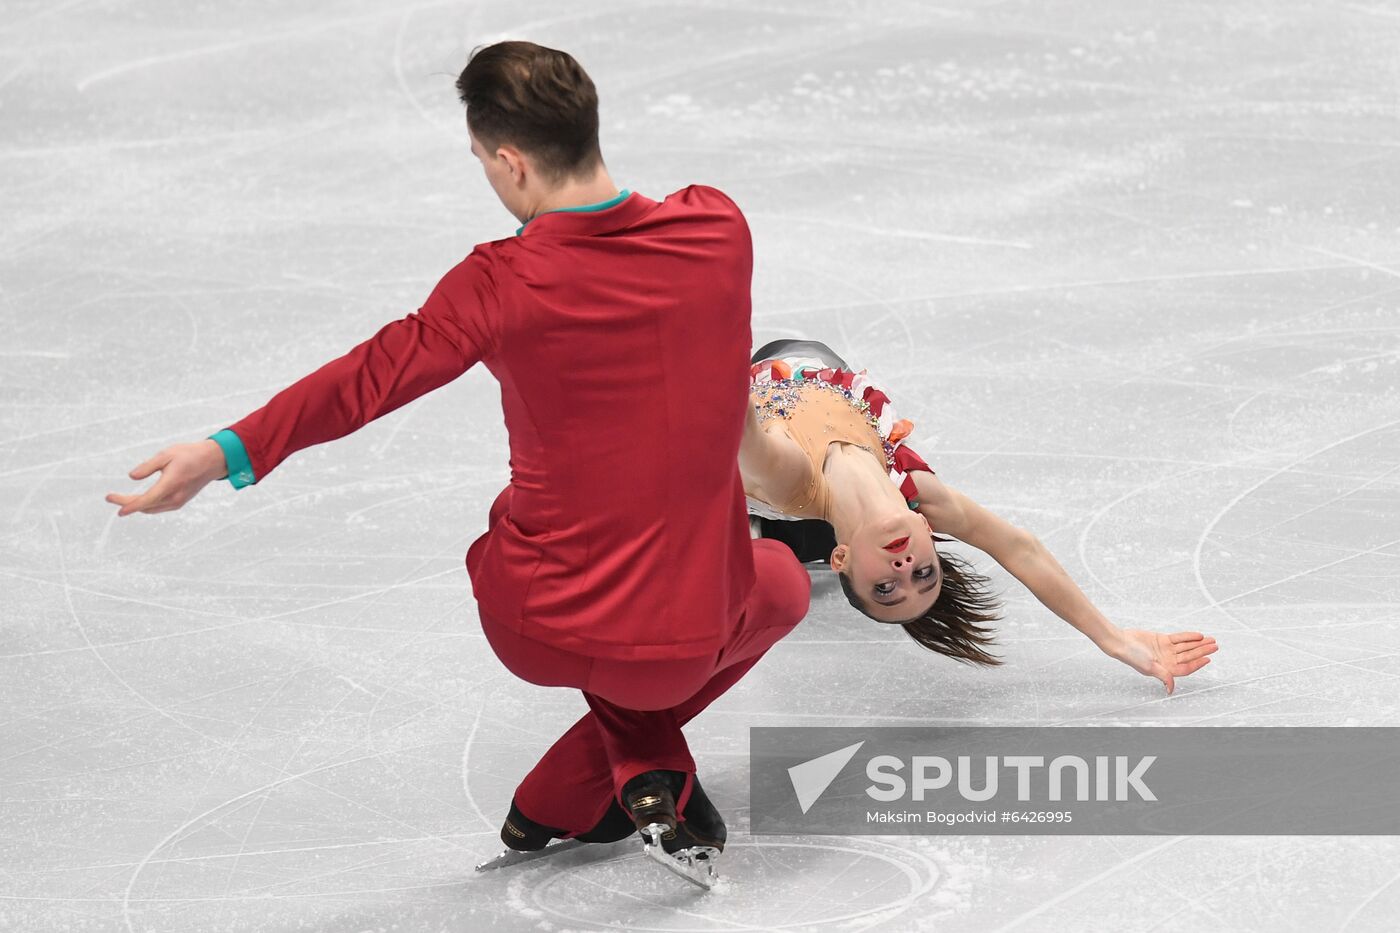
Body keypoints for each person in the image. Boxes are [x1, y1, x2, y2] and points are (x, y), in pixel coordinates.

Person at [104, 40, 809, 887]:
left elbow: (368, 377)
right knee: (780, 583)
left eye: (481, 160)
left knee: (502, 543)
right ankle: (615, 776)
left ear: (511, 162)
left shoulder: (500, 282)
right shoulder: (717, 228)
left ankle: (612, 780)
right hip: (684, 641)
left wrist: (225, 450)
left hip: (534, 621)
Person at [740, 338, 1218, 693]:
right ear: (927, 533)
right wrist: (1117, 641)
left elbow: (724, 395)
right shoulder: (922, 496)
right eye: (926, 574)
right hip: (812, 364)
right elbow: (1019, 547)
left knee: (765, 523)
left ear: (843, 558)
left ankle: (755, 526)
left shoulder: (789, 478)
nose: (905, 571)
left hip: (731, 436)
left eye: (885, 588)